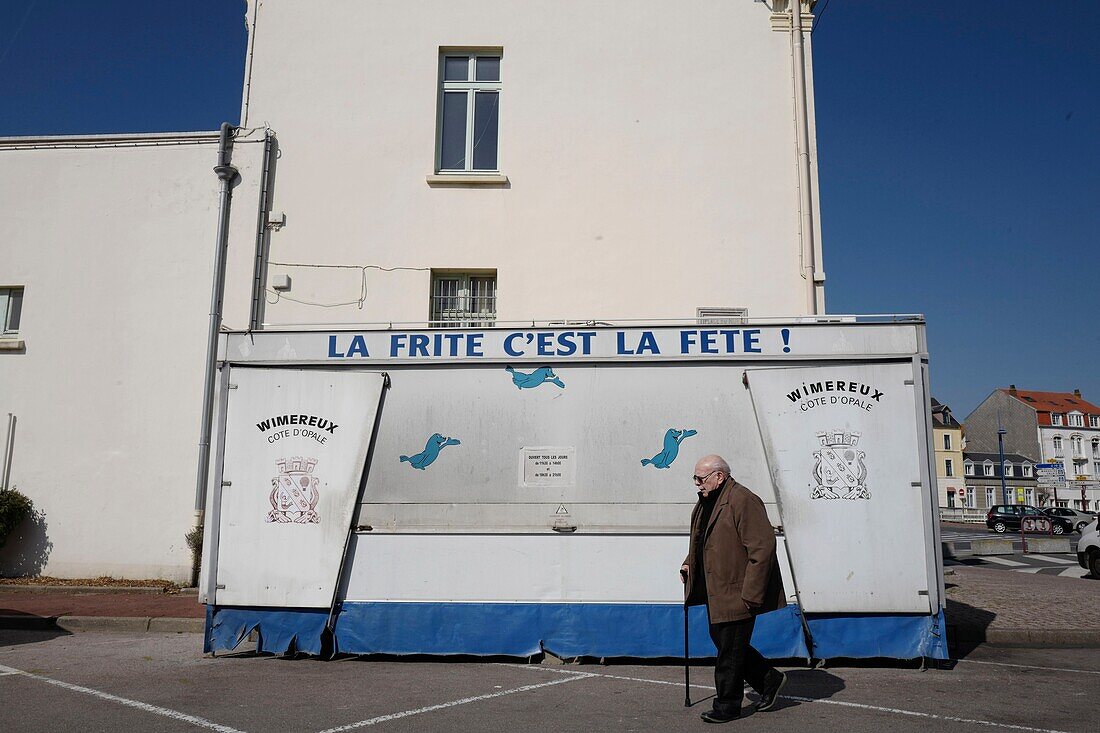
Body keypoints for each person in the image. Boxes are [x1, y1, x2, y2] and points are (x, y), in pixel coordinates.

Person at [680, 454, 787, 723]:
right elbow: (702, 541)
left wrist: (751, 594)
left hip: (737, 592)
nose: (697, 484)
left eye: (700, 478)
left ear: (719, 476)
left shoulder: (743, 500)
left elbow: (762, 550)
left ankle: (727, 706)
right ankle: (769, 679)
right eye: (695, 478)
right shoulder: (707, 501)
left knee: (729, 652)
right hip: (717, 590)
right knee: (727, 644)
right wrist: (688, 564)